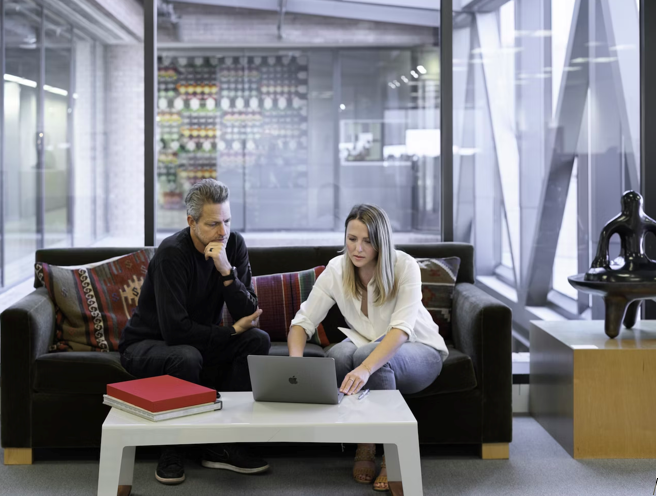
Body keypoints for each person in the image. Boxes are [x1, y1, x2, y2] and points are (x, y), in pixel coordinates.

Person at [119, 179, 271, 485]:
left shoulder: (234, 245)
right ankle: (172, 447)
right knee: (186, 357)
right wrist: (229, 334)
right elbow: (175, 332)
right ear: (191, 221)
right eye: (213, 224)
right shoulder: (172, 254)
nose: (223, 232)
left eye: (227, 221)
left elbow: (248, 313)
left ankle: (222, 444)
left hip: (196, 340)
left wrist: (227, 272)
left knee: (257, 340)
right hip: (147, 344)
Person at [287, 204, 448, 492]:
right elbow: (302, 323)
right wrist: (295, 366)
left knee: (364, 356)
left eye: (367, 240)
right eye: (352, 239)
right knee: (336, 355)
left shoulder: (404, 266)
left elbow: (400, 330)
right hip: (367, 342)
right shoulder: (337, 269)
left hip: (420, 348)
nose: (357, 248)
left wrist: (365, 368)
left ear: (381, 241)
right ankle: (364, 438)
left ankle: (389, 453)